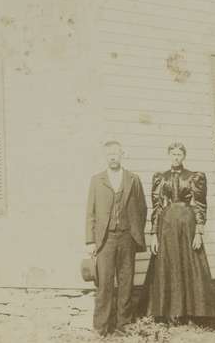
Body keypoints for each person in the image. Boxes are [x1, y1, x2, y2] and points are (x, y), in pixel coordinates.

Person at [145, 142, 215, 329]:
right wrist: (154, 235)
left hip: (187, 226)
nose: (176, 157)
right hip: (166, 228)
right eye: (173, 153)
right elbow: (156, 207)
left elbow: (199, 204)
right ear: (168, 155)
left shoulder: (193, 177)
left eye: (179, 154)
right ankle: (170, 313)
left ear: (184, 156)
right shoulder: (160, 178)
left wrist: (198, 231)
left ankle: (194, 311)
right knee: (168, 266)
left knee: (190, 266)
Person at [85, 138, 147, 336]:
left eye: (116, 153)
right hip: (105, 239)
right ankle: (101, 328)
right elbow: (90, 212)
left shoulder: (133, 179)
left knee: (126, 281)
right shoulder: (97, 180)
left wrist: (135, 230)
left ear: (122, 155)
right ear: (105, 157)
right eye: (109, 154)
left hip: (127, 237)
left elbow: (142, 208)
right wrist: (91, 240)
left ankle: (123, 325)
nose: (113, 157)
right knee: (104, 283)